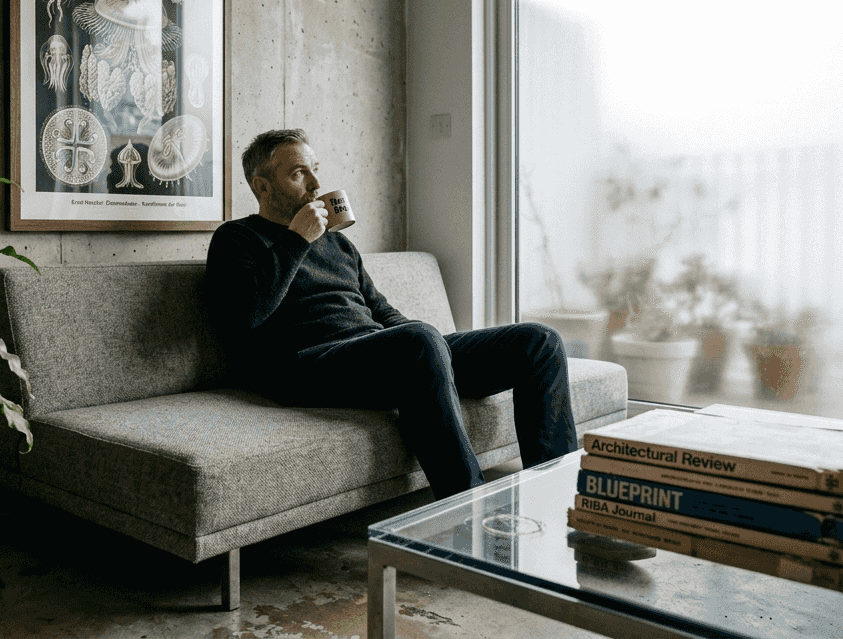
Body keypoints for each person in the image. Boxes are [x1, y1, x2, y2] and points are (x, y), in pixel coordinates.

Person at [203, 128, 580, 499]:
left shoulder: (337, 243)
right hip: (306, 366)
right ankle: (468, 506)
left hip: (377, 354)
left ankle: (557, 497)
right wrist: (297, 239)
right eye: (298, 173)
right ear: (263, 186)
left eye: (315, 168)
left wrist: (435, 347)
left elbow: (379, 308)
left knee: (538, 341)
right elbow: (245, 317)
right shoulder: (237, 238)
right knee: (418, 342)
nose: (316, 183)